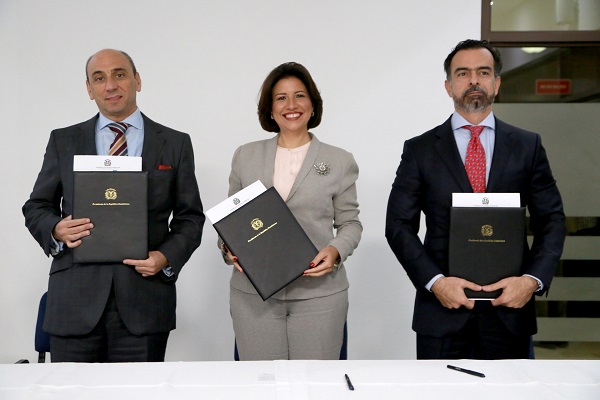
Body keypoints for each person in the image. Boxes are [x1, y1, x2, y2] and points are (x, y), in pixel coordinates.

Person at [385, 39, 566, 359]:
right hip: (441, 312)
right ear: (448, 85)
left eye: (483, 72)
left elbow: (551, 219)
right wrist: (435, 282)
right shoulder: (420, 150)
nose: (473, 81)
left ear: (497, 83)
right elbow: (398, 225)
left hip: (510, 310)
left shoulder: (528, 146)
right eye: (463, 73)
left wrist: (531, 280)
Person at [22, 49, 205, 362]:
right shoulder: (63, 140)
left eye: (119, 74)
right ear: (89, 89)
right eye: (99, 78)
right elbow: (37, 206)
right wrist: (55, 228)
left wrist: (165, 257)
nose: (110, 85)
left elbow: (190, 218)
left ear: (137, 80)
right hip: (74, 300)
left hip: (144, 302)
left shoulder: (174, 143)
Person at [220, 62, 362, 360]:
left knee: (316, 386)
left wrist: (336, 251)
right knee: (260, 384)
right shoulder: (245, 155)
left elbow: (350, 223)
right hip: (255, 296)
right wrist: (227, 248)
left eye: (300, 95)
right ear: (270, 109)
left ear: (313, 105)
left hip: (319, 295)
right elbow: (230, 221)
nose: (291, 105)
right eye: (281, 98)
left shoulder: (339, 160)